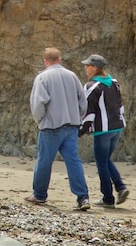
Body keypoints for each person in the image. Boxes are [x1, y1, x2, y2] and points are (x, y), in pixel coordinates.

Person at [26, 47, 92, 210]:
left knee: (44, 161)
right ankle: (83, 197)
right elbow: (83, 102)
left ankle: (40, 195)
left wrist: (40, 121)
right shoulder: (72, 76)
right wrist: (77, 117)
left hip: (51, 126)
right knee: (73, 161)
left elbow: (38, 105)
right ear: (60, 60)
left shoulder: (42, 78)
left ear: (45, 61)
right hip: (71, 126)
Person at [81, 53, 130, 209]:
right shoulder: (114, 82)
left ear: (95, 68)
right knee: (106, 160)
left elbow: (88, 112)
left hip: (103, 130)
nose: (85, 68)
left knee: (102, 162)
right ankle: (119, 188)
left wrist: (80, 131)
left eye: (87, 65)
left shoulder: (91, 86)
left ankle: (109, 197)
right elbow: (120, 105)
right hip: (117, 127)